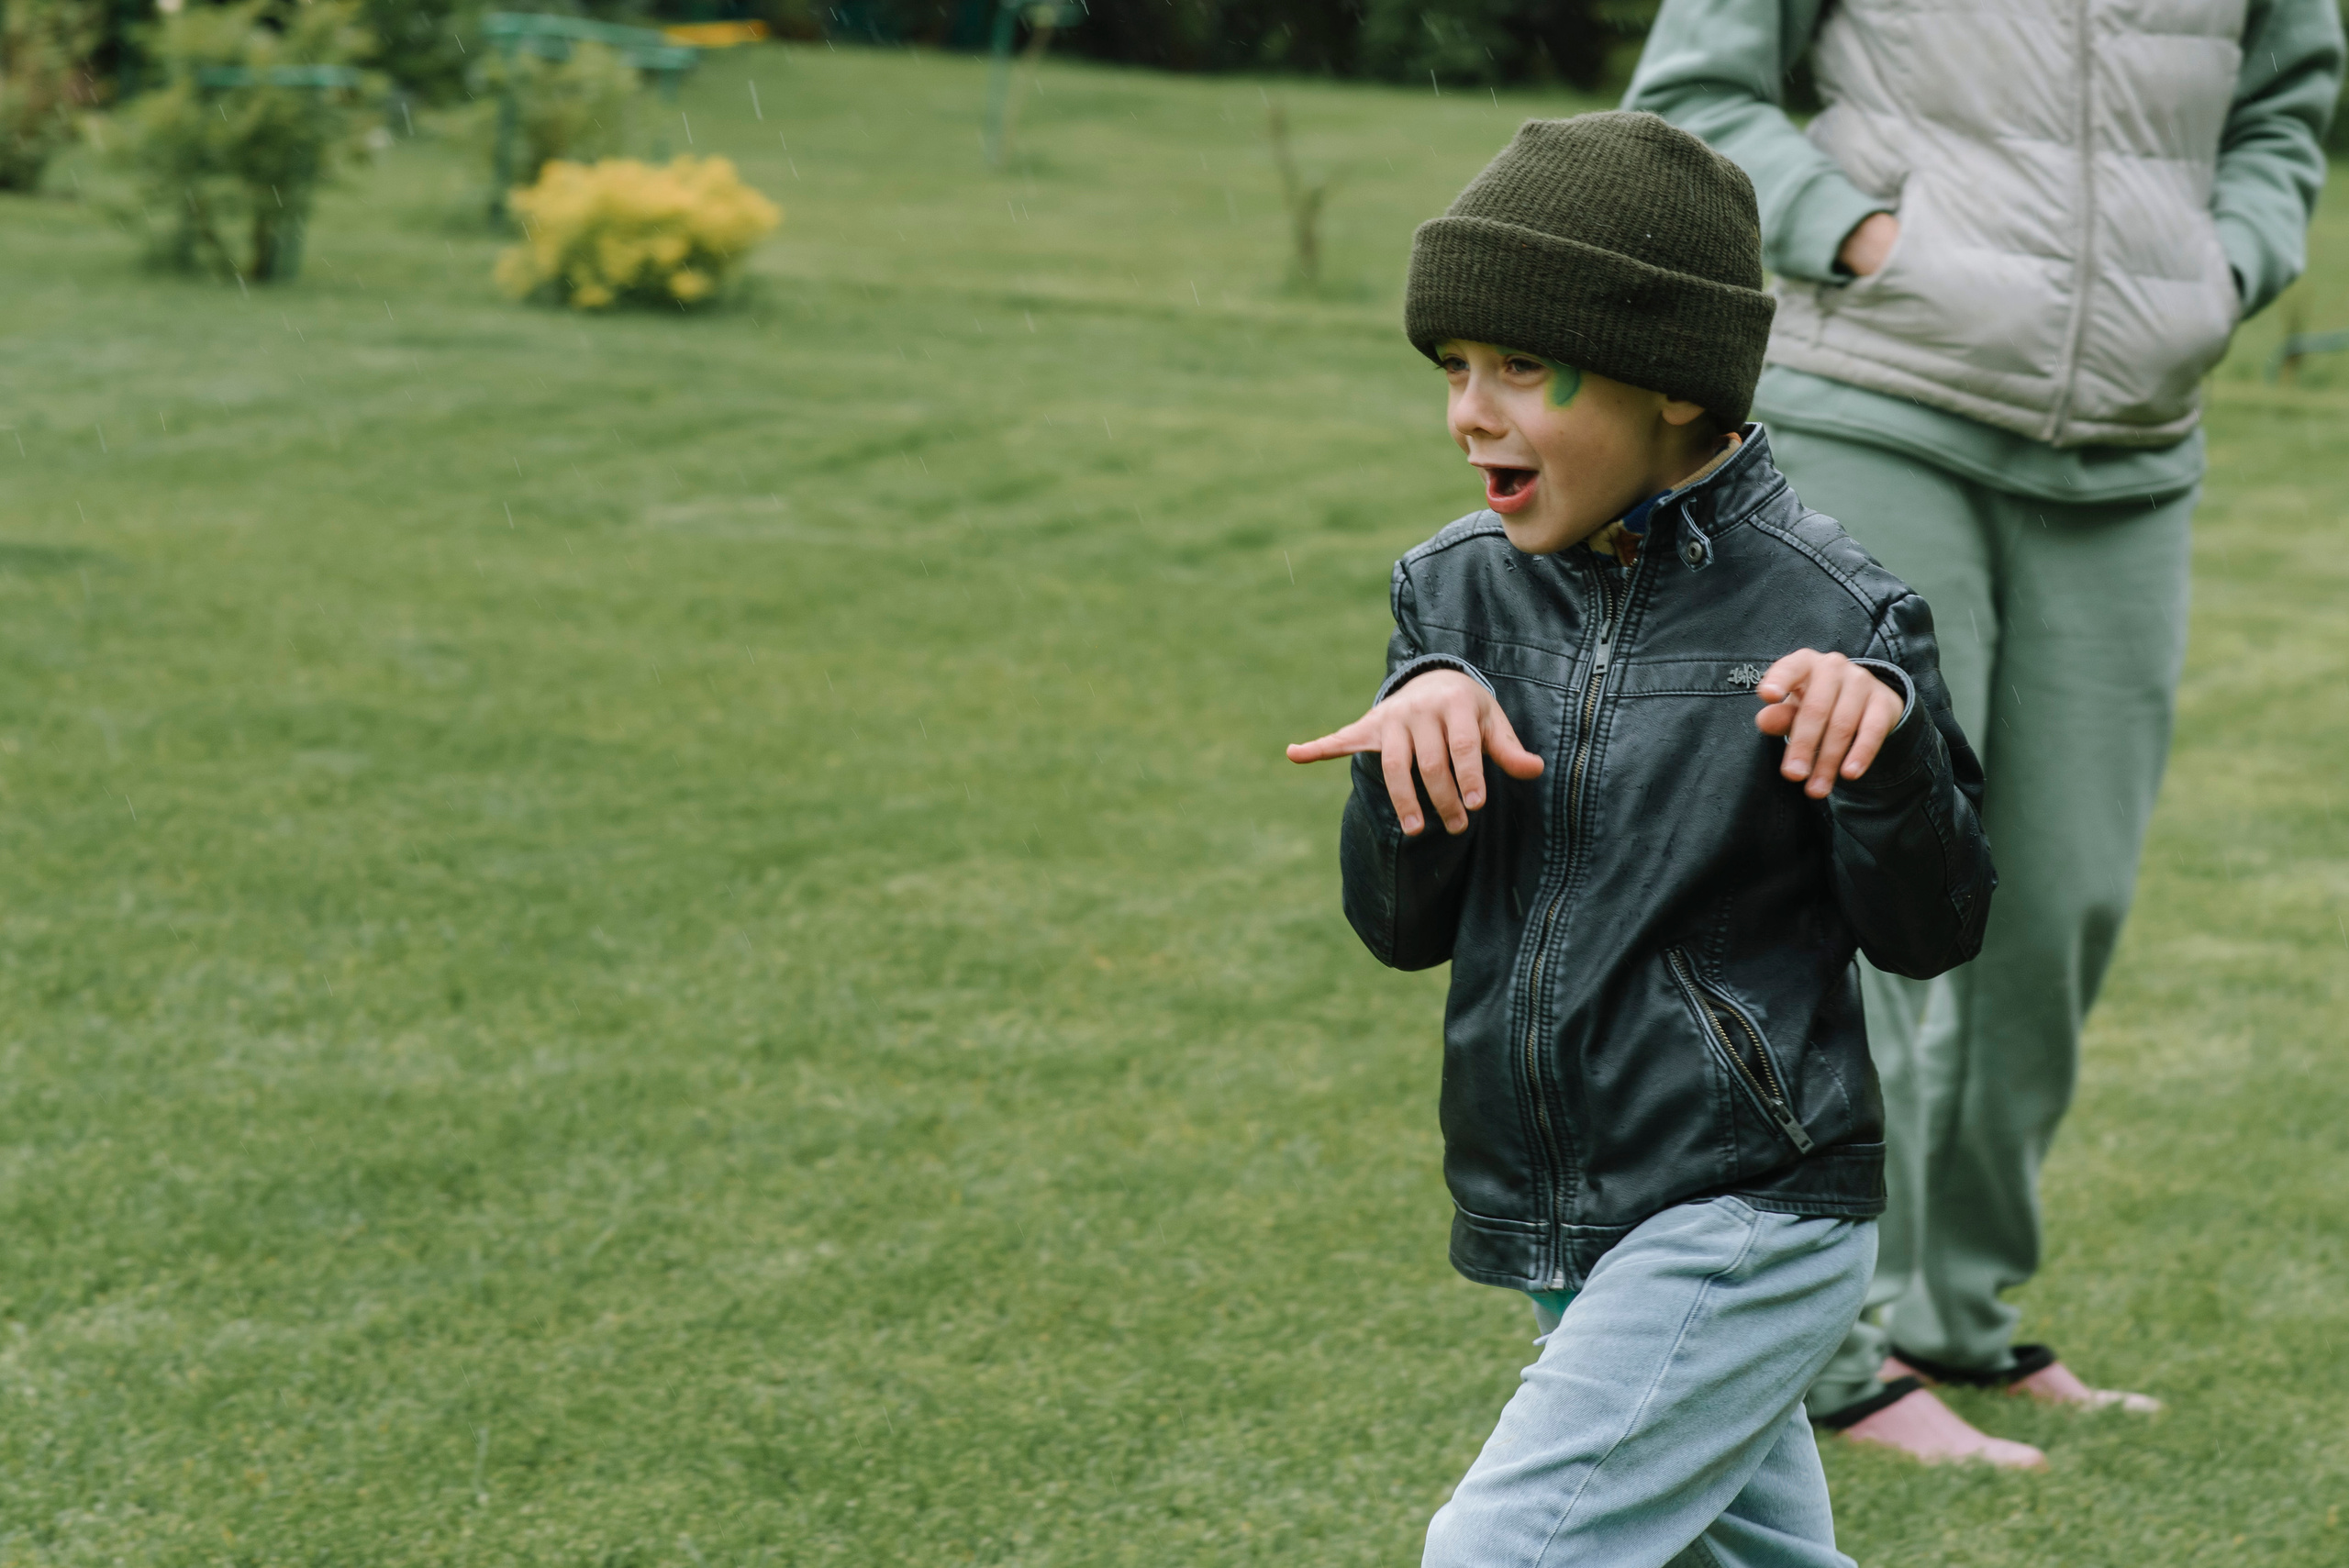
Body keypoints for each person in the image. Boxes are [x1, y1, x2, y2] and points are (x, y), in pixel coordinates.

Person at [1621, 0, 2344, 1465]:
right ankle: (1822, 1353)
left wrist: (2226, 269)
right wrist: (1871, 241)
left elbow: (2284, 108)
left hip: (2132, 458)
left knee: (2061, 905)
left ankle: (1960, 1307)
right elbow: (1697, 91)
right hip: (1883, 404)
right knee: (1852, 891)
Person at [1286, 111, 1996, 1568]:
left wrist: (1883, 750)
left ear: (1675, 382)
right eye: (1453, 367)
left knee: (1507, 1549)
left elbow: (1935, 928)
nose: (1469, 412)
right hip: (1563, 1196)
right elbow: (1400, 924)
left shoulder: (1838, 617)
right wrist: (1410, 754)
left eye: (1521, 369)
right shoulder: (1455, 594)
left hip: (1747, 1203)